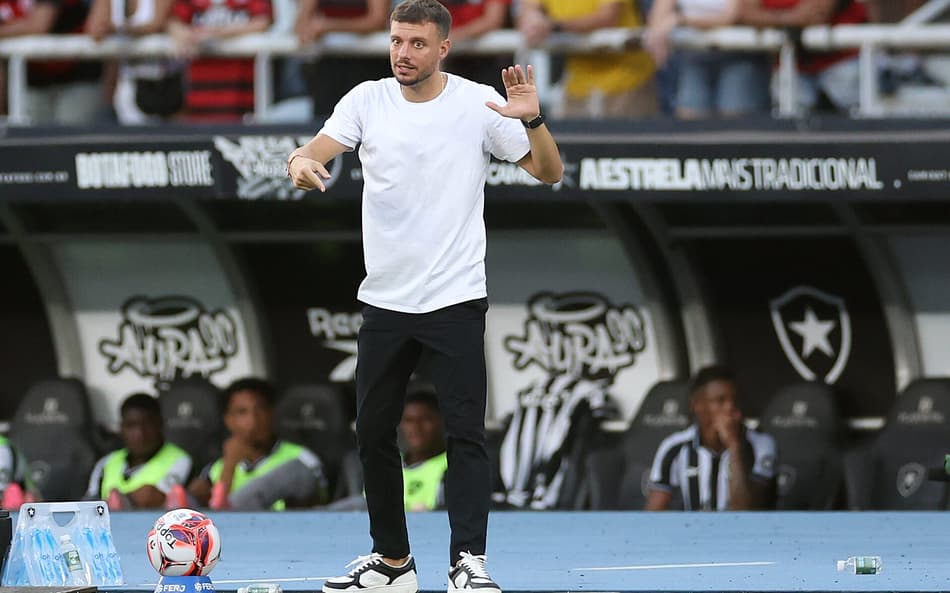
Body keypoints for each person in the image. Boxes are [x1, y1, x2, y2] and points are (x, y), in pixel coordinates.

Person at [287, 0, 562, 590]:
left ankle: (468, 562)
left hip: (455, 297)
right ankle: (392, 563)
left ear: (443, 48)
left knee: (465, 433)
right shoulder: (366, 100)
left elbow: (550, 172)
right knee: (372, 433)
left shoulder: (477, 103)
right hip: (385, 300)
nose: (403, 53)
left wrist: (534, 120)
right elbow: (313, 151)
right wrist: (299, 163)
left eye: (416, 43)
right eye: (396, 41)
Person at [182, 377, 327, 510]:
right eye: (242, 412)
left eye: (261, 409)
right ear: (229, 420)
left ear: (272, 413)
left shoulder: (302, 457)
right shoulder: (215, 469)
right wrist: (229, 466)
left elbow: (319, 506)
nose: (253, 420)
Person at [645, 365, 777, 511]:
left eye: (735, 400)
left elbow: (745, 511)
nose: (730, 407)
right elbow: (653, 513)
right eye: (720, 401)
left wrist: (734, 446)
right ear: (696, 405)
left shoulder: (761, 444)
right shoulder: (674, 447)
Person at [517, 0, 657, 119]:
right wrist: (533, 20)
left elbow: (608, 17)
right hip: (577, 85)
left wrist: (554, 26)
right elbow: (528, 10)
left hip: (626, 82)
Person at [645, 0, 770, 118]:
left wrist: (680, 20)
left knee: (735, 122)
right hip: (694, 58)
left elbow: (733, 15)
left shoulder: (680, 19)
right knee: (690, 122)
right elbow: (657, 19)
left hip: (739, 56)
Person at [741, 0, 867, 114]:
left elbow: (818, 12)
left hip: (842, 62)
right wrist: (790, 18)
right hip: (791, 68)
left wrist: (770, 18)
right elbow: (745, 13)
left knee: (858, 123)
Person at [166, 0, 272, 122]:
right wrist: (180, 32)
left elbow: (263, 21)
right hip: (200, 91)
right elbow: (173, 21)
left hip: (243, 92)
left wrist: (216, 33)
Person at [0, 0, 102, 124]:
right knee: (32, 132)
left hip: (77, 76)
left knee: (73, 132)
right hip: (33, 80)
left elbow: (39, 25)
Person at [84, 393, 192, 510]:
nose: (140, 433)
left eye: (147, 425)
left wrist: (121, 501)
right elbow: (88, 505)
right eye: (131, 426)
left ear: (160, 425)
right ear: (121, 428)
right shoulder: (106, 463)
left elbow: (155, 497)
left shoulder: (179, 459)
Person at [401, 385, 447, 512]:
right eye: (409, 420)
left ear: (441, 421)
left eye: (425, 420)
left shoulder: (454, 464)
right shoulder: (386, 464)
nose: (416, 427)